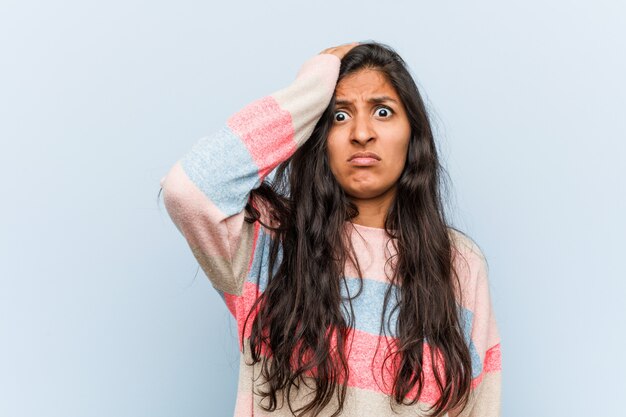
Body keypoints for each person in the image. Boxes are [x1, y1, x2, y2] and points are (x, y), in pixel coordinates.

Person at [159, 41, 501, 417]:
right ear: (317, 138)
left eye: (383, 112)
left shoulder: (459, 264)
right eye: (339, 116)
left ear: (413, 134)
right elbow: (188, 189)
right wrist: (316, 80)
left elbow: (477, 408)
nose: (361, 133)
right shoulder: (269, 242)